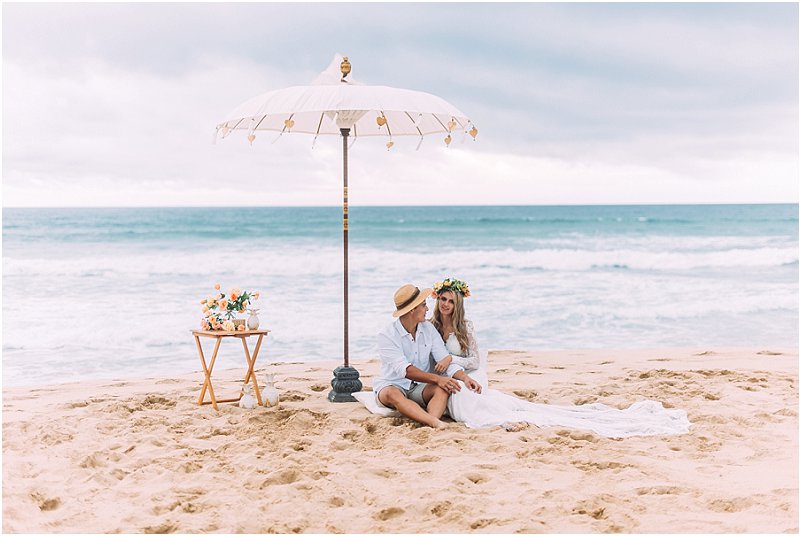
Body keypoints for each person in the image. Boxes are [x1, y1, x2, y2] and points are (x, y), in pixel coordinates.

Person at [428, 277, 692, 438]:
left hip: (471, 373)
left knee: (464, 392)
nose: (445, 304)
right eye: (442, 299)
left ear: (458, 305)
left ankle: (498, 420)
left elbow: (474, 361)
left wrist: (452, 360)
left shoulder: (466, 327)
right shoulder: (432, 326)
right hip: (448, 375)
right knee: (458, 391)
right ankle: (496, 418)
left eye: (450, 301)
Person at [374, 283, 482, 429]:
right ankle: (434, 422)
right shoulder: (387, 335)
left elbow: (443, 359)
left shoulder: (428, 329)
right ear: (412, 309)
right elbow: (406, 371)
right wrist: (438, 379)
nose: (427, 309)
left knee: (443, 388)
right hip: (393, 384)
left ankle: (428, 425)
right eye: (424, 305)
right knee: (392, 394)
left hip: (420, 387)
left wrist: (465, 378)